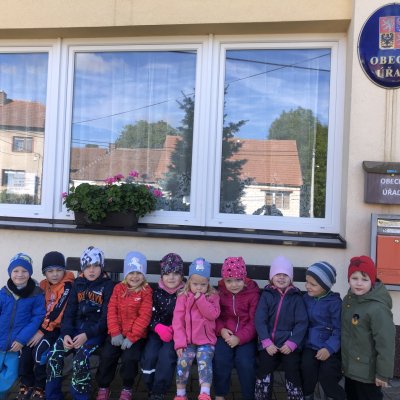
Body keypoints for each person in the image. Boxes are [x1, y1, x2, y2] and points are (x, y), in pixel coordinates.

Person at [45, 246, 114, 400]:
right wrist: (66, 333)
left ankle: (80, 396)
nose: (92, 270)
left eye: (96, 266)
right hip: (74, 331)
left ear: (102, 267)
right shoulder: (78, 284)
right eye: (87, 266)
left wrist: (87, 335)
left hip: (94, 333)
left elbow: (106, 318)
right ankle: (53, 396)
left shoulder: (108, 286)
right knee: (54, 354)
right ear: (82, 268)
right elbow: (69, 312)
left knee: (80, 358)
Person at [96, 251, 153, 400]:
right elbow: (111, 310)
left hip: (135, 337)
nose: (135, 276)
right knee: (107, 355)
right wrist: (115, 332)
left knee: (130, 358)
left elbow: (144, 316)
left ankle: (127, 387)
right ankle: (103, 386)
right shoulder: (118, 289)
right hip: (116, 334)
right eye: (131, 273)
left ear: (144, 275)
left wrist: (132, 337)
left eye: (139, 273)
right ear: (126, 274)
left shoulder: (146, 292)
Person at [18, 251, 75, 400]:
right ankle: (27, 383)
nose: (55, 274)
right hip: (40, 326)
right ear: (45, 273)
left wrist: (42, 330)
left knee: (39, 352)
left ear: (64, 271)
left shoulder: (67, 286)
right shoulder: (43, 285)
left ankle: (40, 386)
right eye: (50, 271)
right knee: (24, 350)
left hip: (55, 329)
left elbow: (58, 312)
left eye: (58, 270)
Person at [341, 255, 395, 400]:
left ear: (372, 280)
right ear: (348, 279)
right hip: (350, 369)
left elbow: (386, 344)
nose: (359, 283)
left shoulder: (378, 309)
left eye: (364, 279)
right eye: (354, 278)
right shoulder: (348, 301)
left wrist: (383, 374)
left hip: (368, 374)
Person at [254, 255, 308, 400]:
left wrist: (292, 343)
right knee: (264, 368)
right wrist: (266, 342)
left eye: (285, 275)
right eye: (278, 274)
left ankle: (295, 396)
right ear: (272, 277)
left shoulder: (296, 297)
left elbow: (302, 323)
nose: (282, 277)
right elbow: (260, 320)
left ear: (291, 278)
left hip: (288, 345)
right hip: (269, 344)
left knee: (292, 368)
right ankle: (261, 396)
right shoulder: (266, 295)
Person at [172, 257, 220, 400]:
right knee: (183, 361)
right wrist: (180, 343)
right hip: (187, 341)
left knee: (204, 361)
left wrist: (200, 299)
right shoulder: (183, 296)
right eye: (195, 284)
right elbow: (178, 321)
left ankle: (204, 392)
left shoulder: (213, 296)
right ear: (189, 282)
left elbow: (213, 314)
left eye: (203, 284)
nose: (199, 287)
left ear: (208, 283)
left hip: (206, 341)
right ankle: (180, 394)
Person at [213, 256, 260, 400]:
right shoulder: (220, 293)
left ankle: (249, 395)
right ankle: (220, 394)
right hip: (225, 334)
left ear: (244, 278)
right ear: (224, 280)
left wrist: (239, 338)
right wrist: (221, 330)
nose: (234, 285)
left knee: (245, 362)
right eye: (229, 281)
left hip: (246, 336)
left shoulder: (253, 294)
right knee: (220, 359)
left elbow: (254, 321)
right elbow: (216, 316)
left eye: (238, 280)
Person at [0, 253, 45, 398]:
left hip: (16, 345)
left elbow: (37, 318)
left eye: (24, 271)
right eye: (16, 271)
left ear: (30, 273)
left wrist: (21, 339)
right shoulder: (3, 293)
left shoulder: (36, 294)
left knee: (10, 376)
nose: (20, 274)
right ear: (10, 272)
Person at [141, 253, 185, 400]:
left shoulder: (185, 293)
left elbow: (188, 316)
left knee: (166, 356)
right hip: (157, 331)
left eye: (176, 273)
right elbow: (148, 314)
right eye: (167, 273)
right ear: (162, 275)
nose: (171, 277)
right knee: (150, 355)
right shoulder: (156, 293)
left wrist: (174, 329)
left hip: (176, 334)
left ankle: (159, 391)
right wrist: (157, 327)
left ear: (181, 275)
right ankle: (150, 386)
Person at [301, 262, 345, 400]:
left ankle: (335, 396)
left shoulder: (335, 303)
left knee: (327, 374)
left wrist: (329, 348)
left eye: (313, 284)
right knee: (306, 367)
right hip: (310, 345)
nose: (307, 286)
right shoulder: (306, 299)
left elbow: (339, 329)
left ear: (325, 286)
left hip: (329, 348)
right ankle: (307, 395)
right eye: (307, 282)